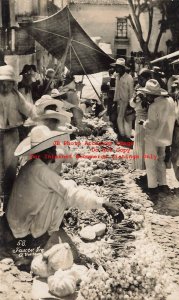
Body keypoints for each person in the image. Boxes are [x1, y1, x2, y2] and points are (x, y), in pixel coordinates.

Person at [6, 125, 123, 257]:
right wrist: (102, 203)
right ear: (47, 151)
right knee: (63, 193)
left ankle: (40, 232)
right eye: (53, 148)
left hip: (15, 220)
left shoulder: (31, 165)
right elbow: (71, 192)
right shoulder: (40, 171)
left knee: (61, 188)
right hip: (21, 227)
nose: (56, 150)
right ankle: (40, 236)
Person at [0, 65, 35, 209]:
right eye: (2, 83)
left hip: (11, 134)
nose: (5, 86)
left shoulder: (16, 95)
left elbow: (29, 109)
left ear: (13, 83)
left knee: (10, 167)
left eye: (8, 83)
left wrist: (41, 116)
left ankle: (7, 202)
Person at [138, 79, 176, 193]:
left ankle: (152, 187)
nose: (146, 97)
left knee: (150, 162)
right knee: (160, 160)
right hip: (165, 137)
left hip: (153, 137)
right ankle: (163, 184)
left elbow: (152, 124)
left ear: (151, 95)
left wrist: (143, 123)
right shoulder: (170, 101)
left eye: (147, 95)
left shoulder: (154, 106)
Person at [130, 68, 152, 169]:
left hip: (148, 118)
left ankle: (145, 165)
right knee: (138, 141)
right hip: (138, 116)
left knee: (145, 142)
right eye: (139, 78)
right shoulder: (138, 88)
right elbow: (132, 104)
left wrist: (145, 101)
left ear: (148, 79)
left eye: (142, 78)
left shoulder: (152, 89)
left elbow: (153, 106)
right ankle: (139, 165)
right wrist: (134, 99)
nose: (140, 81)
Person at [112, 58, 134, 141]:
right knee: (120, 118)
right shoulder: (117, 77)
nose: (116, 69)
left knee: (125, 118)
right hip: (119, 101)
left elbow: (131, 92)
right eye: (116, 67)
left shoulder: (129, 78)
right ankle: (122, 134)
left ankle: (126, 136)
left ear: (123, 68)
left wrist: (130, 103)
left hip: (126, 101)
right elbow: (116, 90)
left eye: (118, 67)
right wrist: (115, 101)